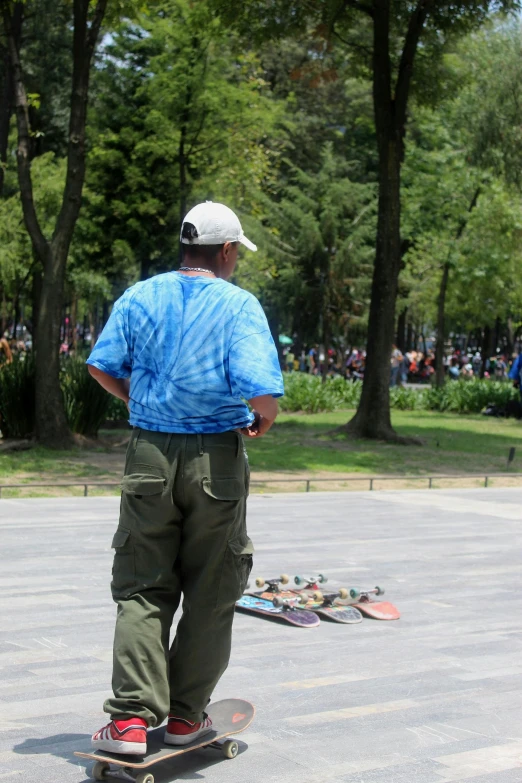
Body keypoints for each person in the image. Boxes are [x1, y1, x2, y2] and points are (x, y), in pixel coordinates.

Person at [86, 201, 284, 755]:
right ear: (225, 251)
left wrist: (142, 402)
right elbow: (263, 397)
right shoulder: (238, 305)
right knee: (212, 590)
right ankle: (184, 717)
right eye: (236, 253)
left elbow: (101, 365)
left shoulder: (139, 296)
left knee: (142, 587)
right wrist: (261, 420)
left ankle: (127, 722)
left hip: (148, 454)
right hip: (217, 462)